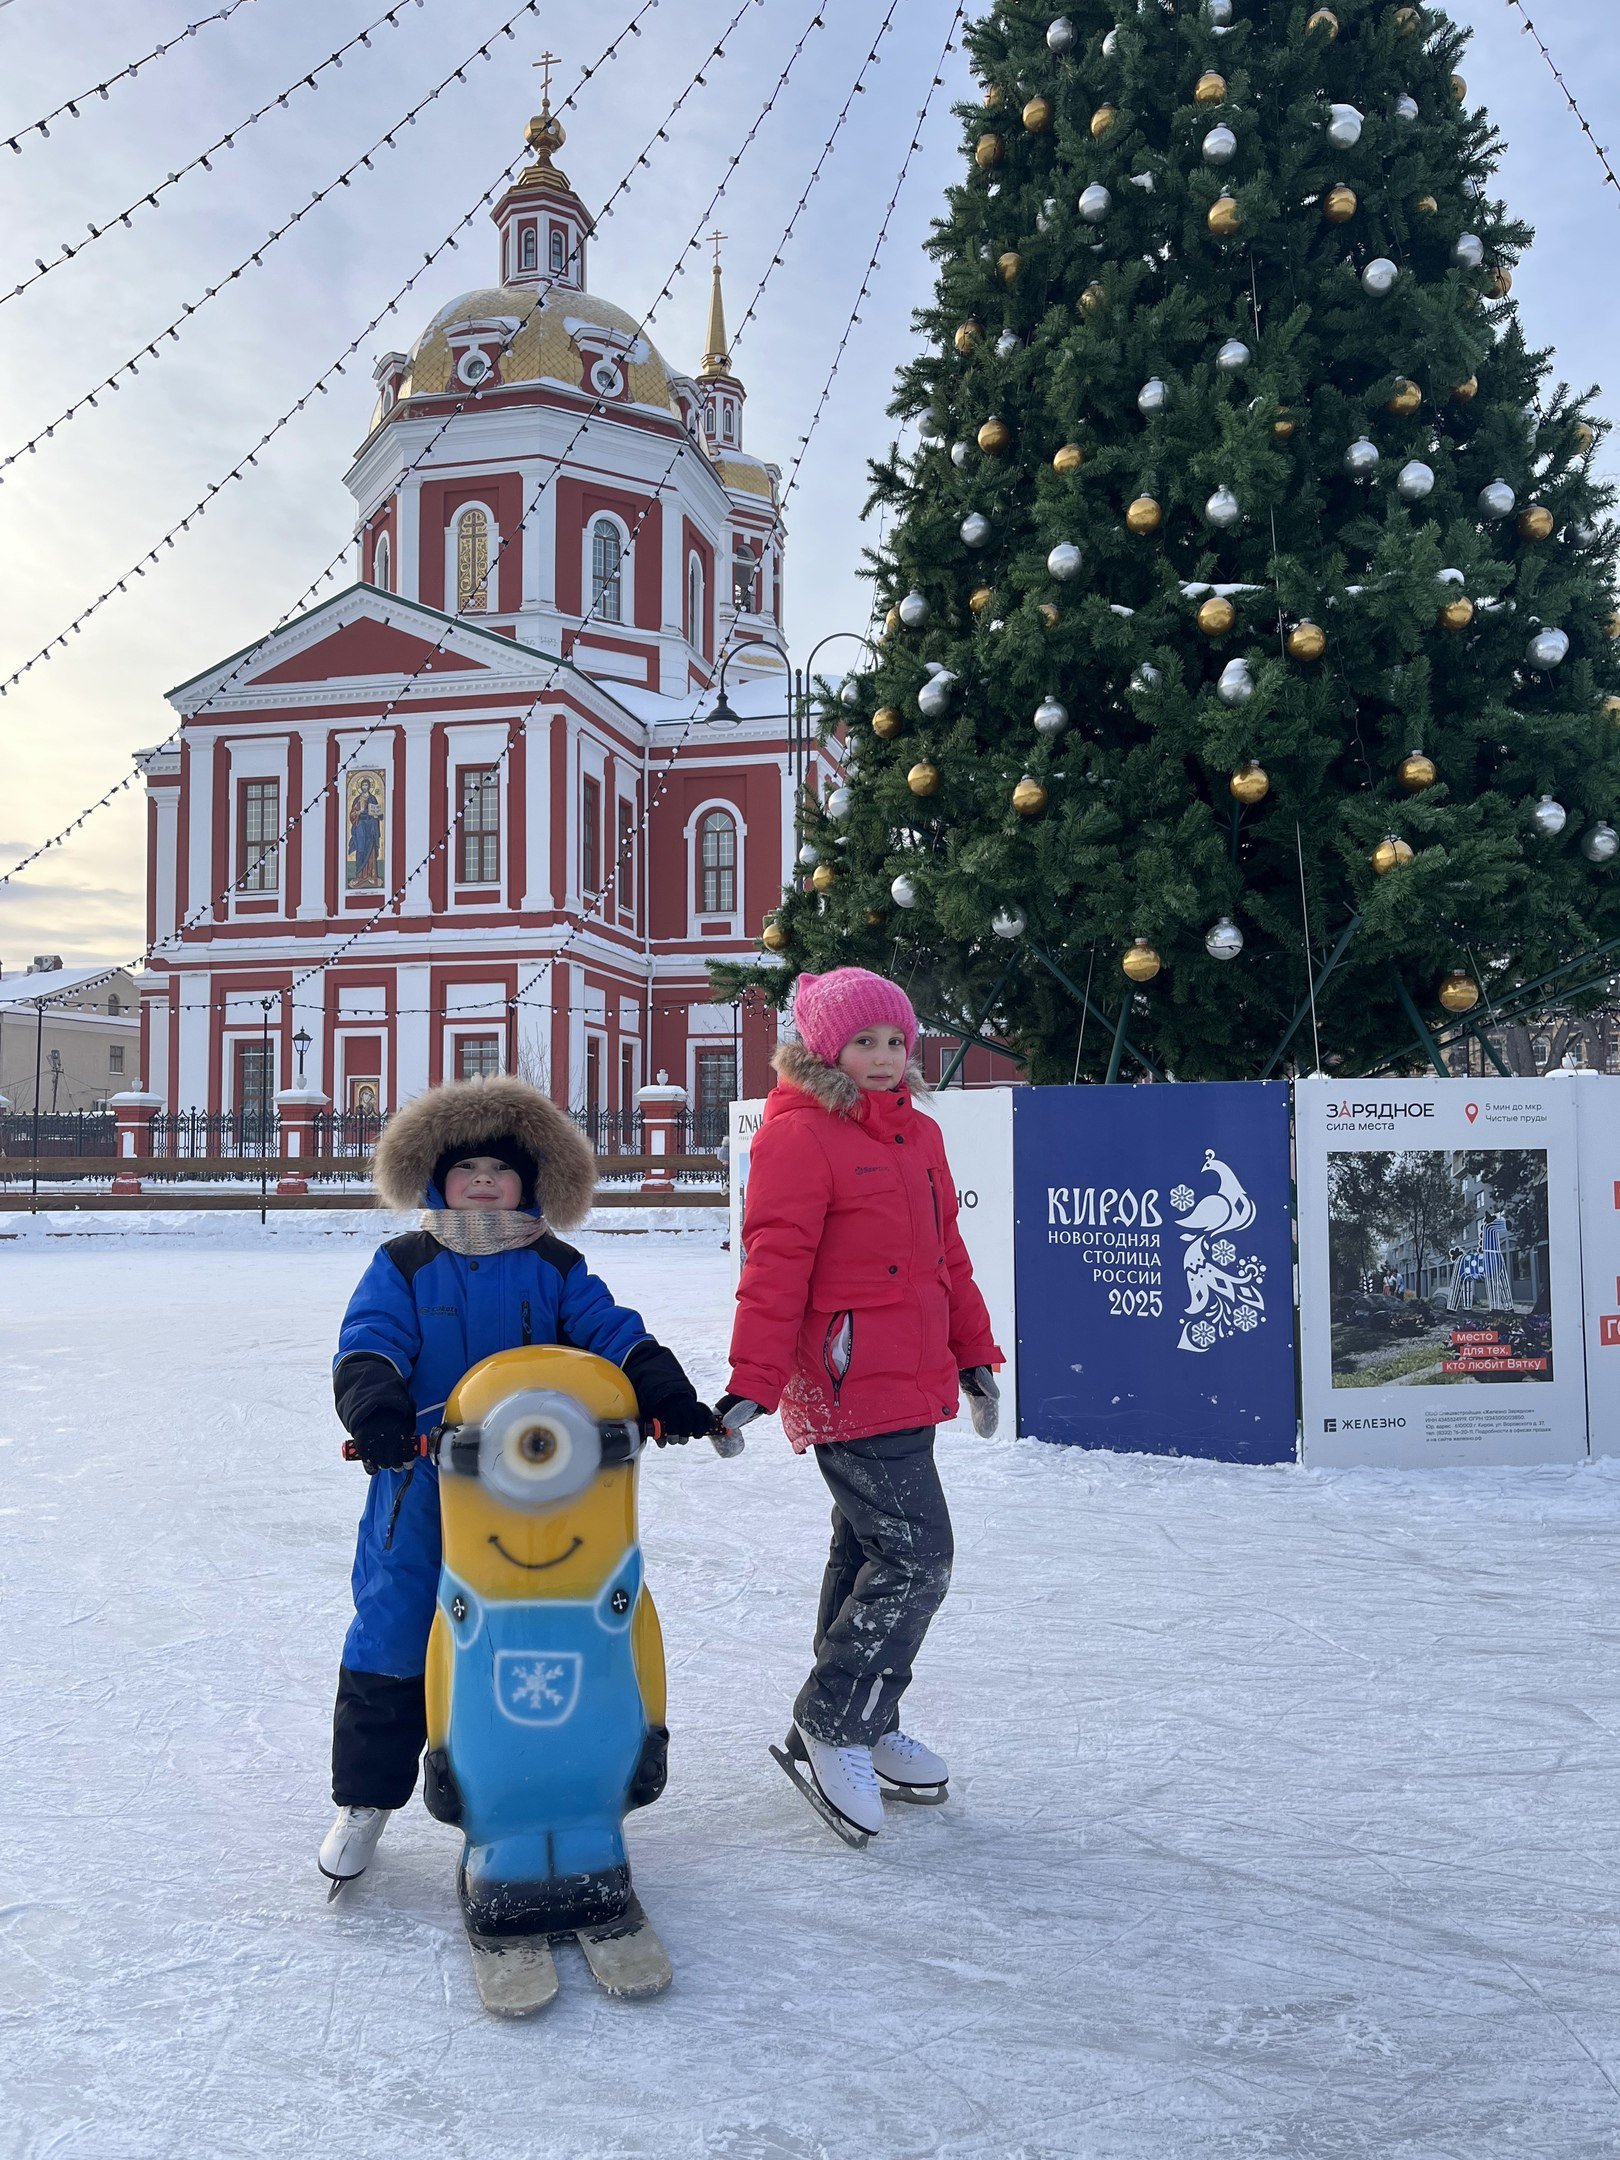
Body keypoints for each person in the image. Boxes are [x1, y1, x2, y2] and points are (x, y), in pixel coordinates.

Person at [318, 1074, 714, 1891]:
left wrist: (659, 1387)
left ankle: (552, 1786)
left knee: (550, 1622)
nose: (486, 1182)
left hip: (544, 1480)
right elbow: (370, 1340)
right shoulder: (404, 1263)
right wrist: (376, 1407)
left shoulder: (556, 1265)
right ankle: (366, 1801)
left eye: (503, 1170)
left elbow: (610, 1332)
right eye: (468, 1171)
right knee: (395, 1624)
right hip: (424, 1479)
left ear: (531, 1183)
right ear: (436, 1180)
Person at [716, 968, 1003, 1841]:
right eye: (863, 1043)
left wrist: (975, 1355)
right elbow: (774, 1265)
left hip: (907, 1372)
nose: (883, 1059)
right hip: (844, 1379)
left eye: (894, 1042)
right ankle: (837, 1716)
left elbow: (945, 1256)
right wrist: (750, 1386)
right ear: (821, 1049)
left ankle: (859, 1716)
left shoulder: (918, 1134)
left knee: (871, 1546)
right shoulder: (797, 1136)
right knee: (919, 1557)